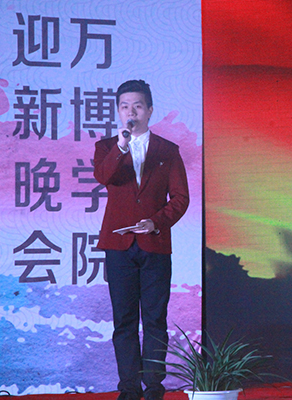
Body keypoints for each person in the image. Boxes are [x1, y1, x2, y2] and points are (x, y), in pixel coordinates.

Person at [94, 80, 189, 400]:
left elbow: (180, 198)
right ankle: (129, 388)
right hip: (118, 246)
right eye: (125, 107)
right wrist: (122, 146)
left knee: (155, 319)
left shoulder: (167, 150)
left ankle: (154, 388)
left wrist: (156, 222)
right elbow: (103, 176)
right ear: (118, 112)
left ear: (149, 110)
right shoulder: (107, 147)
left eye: (137, 106)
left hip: (155, 245)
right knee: (124, 320)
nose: (131, 112)